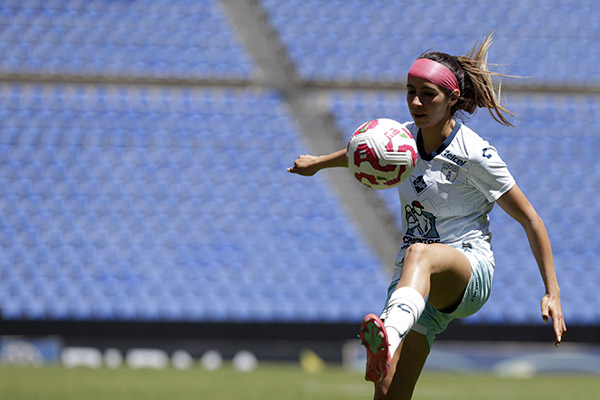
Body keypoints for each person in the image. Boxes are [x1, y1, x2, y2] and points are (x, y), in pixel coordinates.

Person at [287, 34, 567, 400]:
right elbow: (362, 151)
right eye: (410, 92)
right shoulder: (401, 140)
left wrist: (552, 292)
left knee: (420, 252)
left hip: (467, 272)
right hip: (415, 284)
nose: (416, 102)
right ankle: (389, 339)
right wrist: (318, 163)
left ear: (452, 98)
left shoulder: (475, 154)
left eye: (428, 94)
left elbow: (530, 218)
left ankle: (387, 335)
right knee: (388, 392)